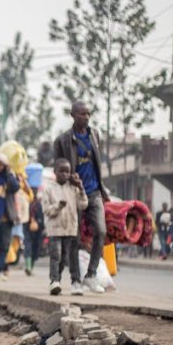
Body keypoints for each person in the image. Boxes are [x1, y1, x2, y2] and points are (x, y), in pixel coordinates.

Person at [54, 101, 109, 294]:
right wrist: (71, 178)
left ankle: (91, 275)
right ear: (72, 115)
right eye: (82, 114)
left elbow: (96, 165)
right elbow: (58, 169)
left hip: (93, 191)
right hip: (72, 193)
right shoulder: (62, 141)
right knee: (74, 238)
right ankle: (76, 280)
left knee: (101, 231)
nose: (86, 117)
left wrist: (103, 189)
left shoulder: (94, 135)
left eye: (88, 113)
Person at [43, 159, 89, 296]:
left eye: (67, 171)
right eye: (61, 171)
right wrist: (58, 206)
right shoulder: (49, 189)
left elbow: (83, 205)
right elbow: (47, 210)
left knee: (68, 258)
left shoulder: (73, 188)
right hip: (55, 229)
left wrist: (81, 188)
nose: (64, 174)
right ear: (55, 172)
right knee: (56, 256)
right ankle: (54, 281)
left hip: (70, 229)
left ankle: (74, 282)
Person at [23, 188, 44, 276]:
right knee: (31, 248)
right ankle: (29, 267)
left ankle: (30, 267)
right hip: (30, 229)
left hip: (33, 230)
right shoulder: (30, 203)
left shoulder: (36, 205)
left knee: (32, 248)